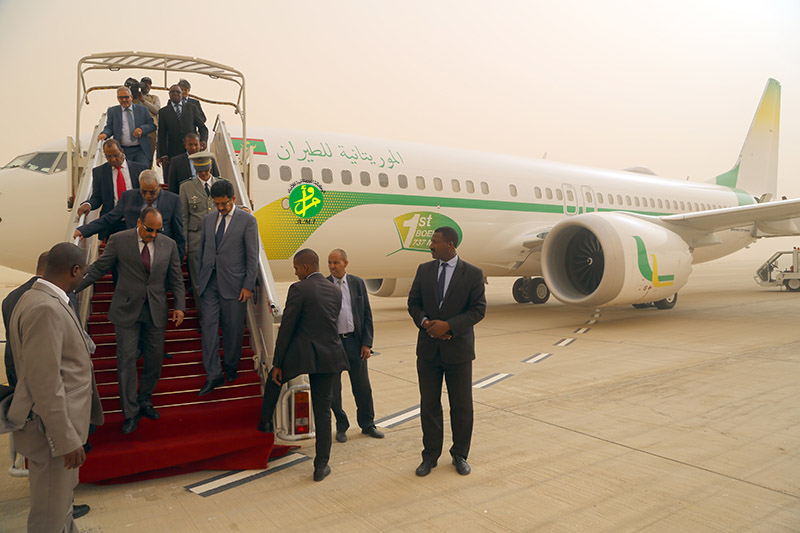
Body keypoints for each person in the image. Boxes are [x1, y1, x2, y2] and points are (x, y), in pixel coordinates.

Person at [6, 242, 104, 532]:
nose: (84, 276)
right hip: (53, 437)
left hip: (60, 430)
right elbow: (45, 382)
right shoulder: (45, 307)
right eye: (83, 271)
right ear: (75, 270)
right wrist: (65, 440)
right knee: (49, 517)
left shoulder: (39, 297)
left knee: (61, 509)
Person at [75, 208, 185, 434]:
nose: (153, 235)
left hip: (155, 310)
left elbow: (176, 278)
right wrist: (71, 286)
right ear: (139, 222)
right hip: (127, 310)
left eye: (157, 231)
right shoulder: (119, 240)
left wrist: (180, 307)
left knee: (154, 360)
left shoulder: (169, 245)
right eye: (149, 230)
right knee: (126, 361)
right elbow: (99, 268)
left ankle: (145, 399)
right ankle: (130, 412)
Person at [258, 249, 349, 482]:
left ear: (306, 267)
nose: (296, 272)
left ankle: (265, 422)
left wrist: (278, 362)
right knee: (322, 412)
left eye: (297, 268)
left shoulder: (298, 289)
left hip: (302, 355)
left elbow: (287, 327)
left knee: (275, 380)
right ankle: (321, 466)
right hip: (329, 355)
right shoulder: (335, 290)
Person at [407, 226, 486, 477]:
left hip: (458, 352)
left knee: (461, 407)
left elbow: (478, 310)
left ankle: (460, 455)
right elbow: (413, 303)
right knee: (429, 406)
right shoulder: (424, 270)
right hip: (428, 351)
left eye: (435, 242)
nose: (430, 245)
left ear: (450, 244)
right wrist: (425, 322)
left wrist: (449, 326)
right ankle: (430, 456)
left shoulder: (473, 274)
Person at [196, 180, 258, 395]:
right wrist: (200, 279)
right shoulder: (208, 220)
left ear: (233, 199)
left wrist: (248, 285)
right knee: (209, 328)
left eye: (224, 204)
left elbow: (252, 255)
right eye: (216, 204)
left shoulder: (248, 221)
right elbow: (203, 249)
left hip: (235, 284)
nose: (220, 208)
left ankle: (231, 366)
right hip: (209, 282)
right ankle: (213, 374)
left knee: (233, 329)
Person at [326, 248, 384, 442]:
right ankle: (341, 426)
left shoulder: (357, 283)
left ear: (345, 263)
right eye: (330, 263)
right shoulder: (325, 285)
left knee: (362, 387)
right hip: (334, 344)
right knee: (334, 390)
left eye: (336, 263)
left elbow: (367, 315)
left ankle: (367, 424)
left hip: (355, 342)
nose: (332, 267)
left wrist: (367, 343)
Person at [74, 170, 185, 255]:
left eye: (152, 192)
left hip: (162, 254)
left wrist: (176, 262)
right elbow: (109, 218)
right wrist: (85, 230)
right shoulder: (128, 197)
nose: (147, 196)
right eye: (144, 191)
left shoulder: (173, 200)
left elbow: (179, 234)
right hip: (134, 253)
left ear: (159, 187)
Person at [77, 139, 148, 239]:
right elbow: (97, 198)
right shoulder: (99, 172)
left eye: (116, 155)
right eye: (109, 157)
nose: (113, 160)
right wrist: (87, 204)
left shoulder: (140, 169)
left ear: (122, 151)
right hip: (112, 222)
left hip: (135, 220)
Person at [180, 152, 225, 300]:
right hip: (196, 241)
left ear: (211, 166)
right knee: (199, 282)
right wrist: (185, 242)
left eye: (206, 170)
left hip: (220, 241)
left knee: (221, 280)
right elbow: (184, 217)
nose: (204, 174)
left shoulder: (222, 184)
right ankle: (203, 317)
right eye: (200, 171)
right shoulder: (186, 187)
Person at [157, 85, 208, 182]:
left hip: (191, 151)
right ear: (169, 95)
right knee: (172, 179)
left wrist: (203, 141)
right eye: (172, 92)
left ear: (182, 95)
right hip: (172, 152)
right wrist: (162, 154)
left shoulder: (192, 108)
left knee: (192, 176)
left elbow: (203, 127)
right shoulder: (163, 112)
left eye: (178, 92)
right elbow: (161, 134)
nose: (175, 94)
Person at [97, 86, 155, 165]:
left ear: (131, 97)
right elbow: (109, 127)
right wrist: (105, 133)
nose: (124, 100)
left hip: (140, 149)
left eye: (126, 97)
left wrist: (142, 129)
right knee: (126, 174)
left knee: (142, 170)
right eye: (121, 97)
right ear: (117, 98)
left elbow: (152, 125)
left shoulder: (142, 109)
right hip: (122, 150)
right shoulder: (113, 111)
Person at [138, 77, 161, 157]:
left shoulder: (154, 98)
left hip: (151, 130)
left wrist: (144, 101)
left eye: (149, 84)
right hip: (137, 128)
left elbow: (157, 110)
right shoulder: (134, 97)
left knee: (149, 154)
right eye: (145, 83)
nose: (147, 86)